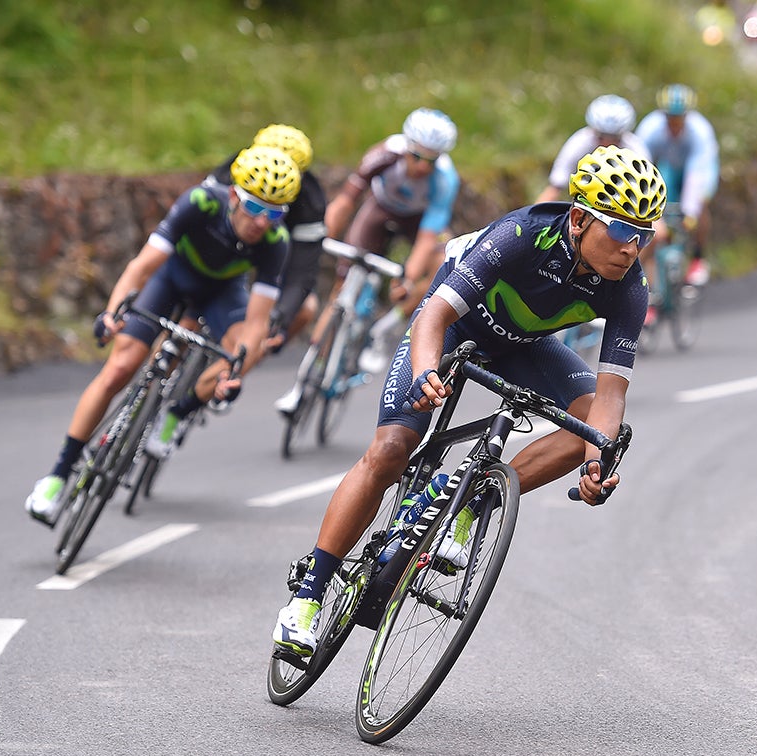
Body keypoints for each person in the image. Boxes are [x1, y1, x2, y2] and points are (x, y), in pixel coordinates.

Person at [273, 145, 666, 656]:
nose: (631, 247)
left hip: (524, 345)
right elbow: (434, 315)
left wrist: (596, 463)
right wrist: (425, 372)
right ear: (578, 219)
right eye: (618, 229)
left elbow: (611, 397)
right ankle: (307, 596)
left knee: (591, 426)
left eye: (643, 234)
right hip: (456, 324)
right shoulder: (523, 235)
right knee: (392, 448)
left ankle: (472, 497)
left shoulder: (631, 289)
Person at [24, 146, 301, 524]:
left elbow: (256, 323)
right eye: (255, 207)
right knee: (121, 366)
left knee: (245, 348)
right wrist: (112, 313)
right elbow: (141, 267)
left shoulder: (275, 242)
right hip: (172, 278)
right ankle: (57, 476)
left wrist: (232, 372)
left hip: (222, 293)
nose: (262, 222)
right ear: (235, 196)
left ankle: (180, 409)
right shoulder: (200, 203)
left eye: (275, 213)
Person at [274, 107, 460, 411]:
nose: (423, 166)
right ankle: (301, 384)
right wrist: (320, 238)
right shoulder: (384, 154)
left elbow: (428, 235)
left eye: (431, 160)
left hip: (418, 220)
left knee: (442, 265)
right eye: (417, 157)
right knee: (341, 288)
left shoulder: (445, 180)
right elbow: (347, 199)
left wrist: (408, 277)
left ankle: (384, 329)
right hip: (380, 208)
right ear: (406, 147)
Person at [204, 124, 327, 355]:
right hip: (226, 242)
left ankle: (244, 362)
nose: (271, 177)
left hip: (274, 252)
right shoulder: (230, 171)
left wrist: (278, 318)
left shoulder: (312, 201)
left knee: (306, 307)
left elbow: (302, 273)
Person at [634, 83, 720, 319]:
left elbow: (696, 176)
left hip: (698, 169)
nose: (674, 123)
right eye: (669, 118)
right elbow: (642, 169)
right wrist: (651, 212)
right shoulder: (650, 129)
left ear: (687, 116)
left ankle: (697, 259)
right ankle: (655, 284)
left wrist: (690, 214)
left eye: (679, 118)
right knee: (655, 209)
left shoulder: (700, 132)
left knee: (700, 201)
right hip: (668, 167)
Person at [535, 94, 651, 204]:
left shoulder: (635, 147)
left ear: (624, 134)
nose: (607, 144)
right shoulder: (579, 143)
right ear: (593, 130)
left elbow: (648, 193)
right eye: (601, 137)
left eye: (615, 138)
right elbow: (555, 187)